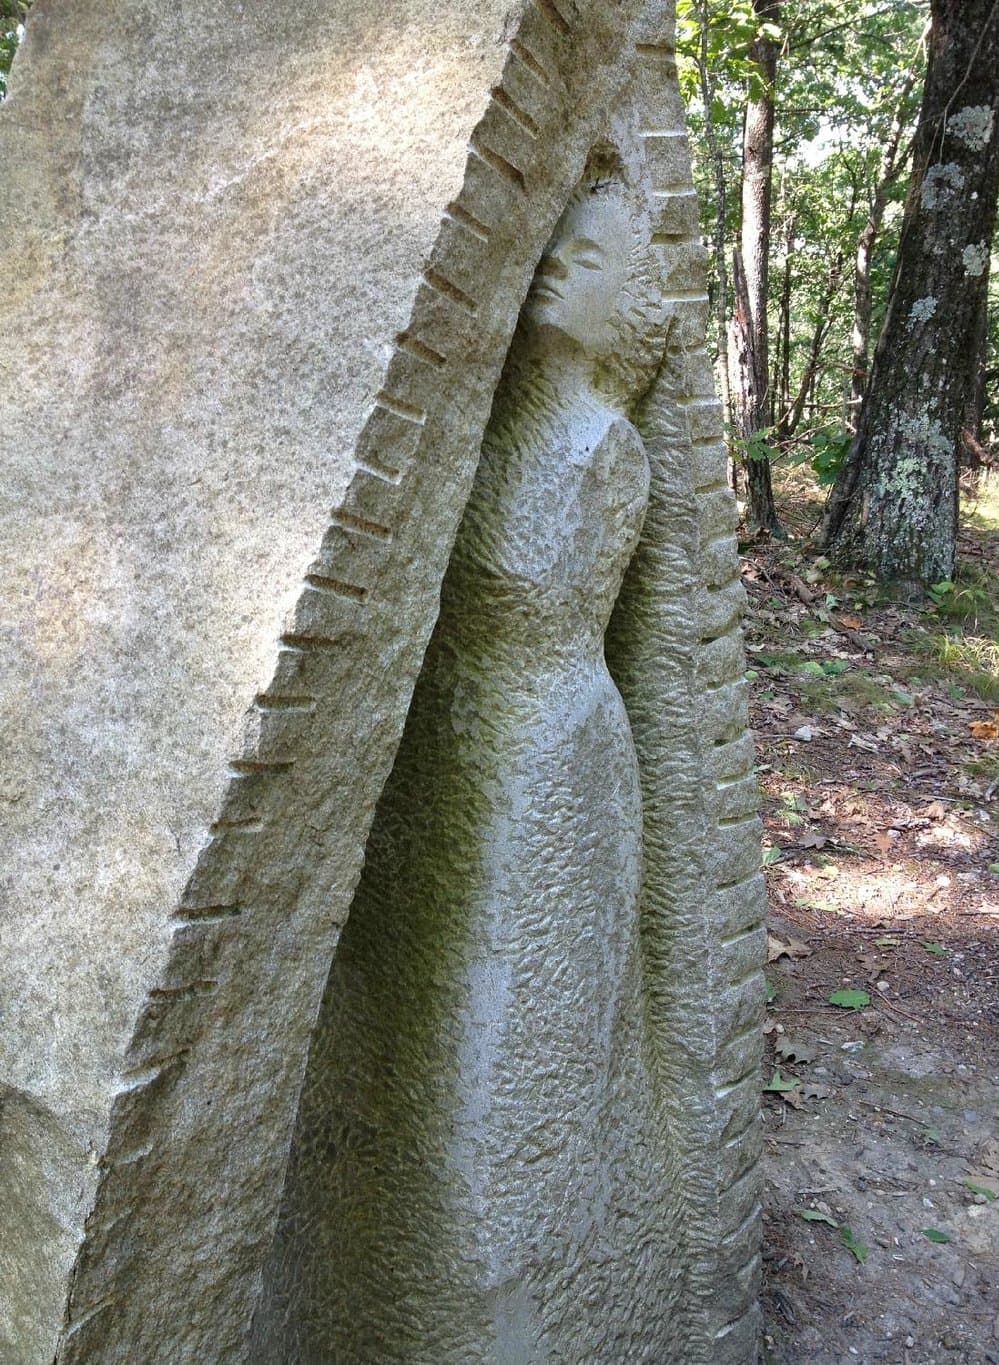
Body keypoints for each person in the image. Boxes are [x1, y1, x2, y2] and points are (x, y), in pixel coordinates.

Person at [262, 154, 689, 1361]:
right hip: (453, 750)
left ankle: (517, 1277)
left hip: (543, 767)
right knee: (422, 1014)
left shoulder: (604, 449)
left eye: (588, 259)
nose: (558, 266)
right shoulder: (491, 423)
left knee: (509, 1028)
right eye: (556, 248)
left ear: (634, 308)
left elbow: (527, 601)